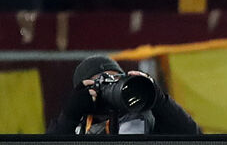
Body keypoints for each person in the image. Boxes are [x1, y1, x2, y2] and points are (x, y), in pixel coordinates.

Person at [46, 55, 200, 135]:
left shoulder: (145, 116)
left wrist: (159, 100)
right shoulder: (78, 127)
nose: (110, 87)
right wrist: (69, 116)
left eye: (115, 79)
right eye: (102, 82)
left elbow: (193, 138)